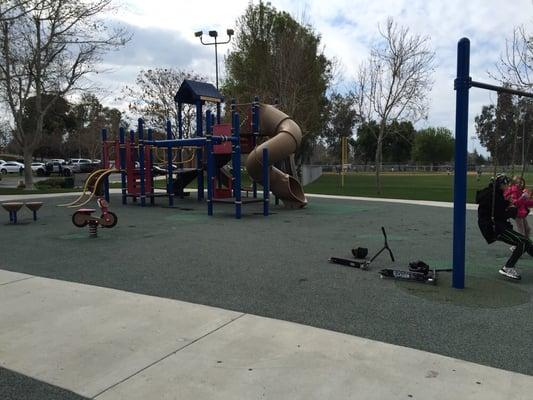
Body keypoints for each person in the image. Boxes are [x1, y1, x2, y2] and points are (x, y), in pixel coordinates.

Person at [476, 174, 533, 280]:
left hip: (498, 225)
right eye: (506, 184)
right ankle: (508, 267)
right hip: (494, 227)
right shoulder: (492, 197)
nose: (508, 186)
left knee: (526, 242)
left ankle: (509, 266)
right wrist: (512, 209)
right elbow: (500, 214)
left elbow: (500, 208)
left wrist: (508, 204)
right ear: (500, 184)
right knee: (523, 242)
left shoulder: (495, 194)